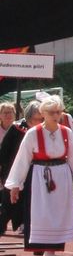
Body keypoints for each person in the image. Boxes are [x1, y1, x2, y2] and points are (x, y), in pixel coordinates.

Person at [5, 95, 73, 256]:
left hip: (62, 178)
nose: (56, 115)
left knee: (58, 215)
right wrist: (15, 185)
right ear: (43, 113)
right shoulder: (33, 133)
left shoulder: (66, 132)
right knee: (43, 215)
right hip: (40, 178)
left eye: (58, 112)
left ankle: (49, 253)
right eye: (51, 112)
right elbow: (22, 160)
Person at [0, 101, 22, 236]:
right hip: (2, 166)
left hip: (14, 168)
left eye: (11, 112)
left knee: (10, 198)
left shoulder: (20, 129)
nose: (8, 115)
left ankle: (19, 223)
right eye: (5, 112)